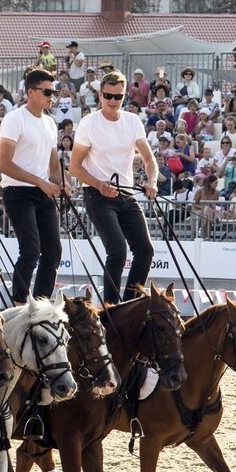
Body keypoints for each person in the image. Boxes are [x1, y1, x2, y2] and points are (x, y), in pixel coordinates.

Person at [69, 71, 158, 304]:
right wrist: (99, 184)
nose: (112, 101)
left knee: (145, 250)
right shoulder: (89, 123)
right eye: (107, 95)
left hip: (126, 193)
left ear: (124, 96)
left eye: (117, 97)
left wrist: (152, 181)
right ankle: (111, 306)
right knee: (117, 250)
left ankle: (131, 303)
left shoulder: (132, 121)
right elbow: (74, 167)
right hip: (97, 194)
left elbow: (149, 160)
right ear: (100, 95)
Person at [0, 68, 67, 304]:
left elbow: (53, 162)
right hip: (17, 191)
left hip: (43, 192)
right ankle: (19, 304)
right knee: (30, 250)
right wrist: (42, 181)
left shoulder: (49, 123)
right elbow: (4, 164)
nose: (52, 96)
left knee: (53, 252)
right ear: (30, 91)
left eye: (54, 91)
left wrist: (61, 184)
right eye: (47, 91)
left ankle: (41, 305)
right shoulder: (15, 118)